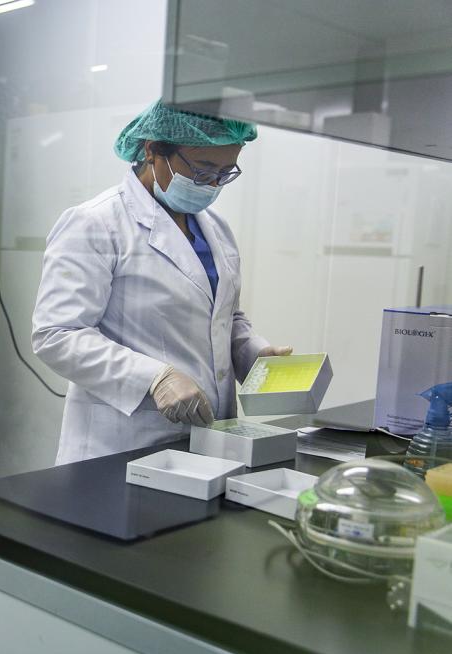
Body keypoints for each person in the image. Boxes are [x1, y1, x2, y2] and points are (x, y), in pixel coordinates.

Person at [32, 101, 291, 465]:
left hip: (210, 438)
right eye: (203, 169)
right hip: (123, 444)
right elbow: (57, 334)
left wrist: (252, 352)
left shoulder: (215, 228)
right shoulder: (96, 223)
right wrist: (154, 378)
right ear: (153, 151)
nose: (213, 183)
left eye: (225, 172)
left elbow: (222, 315)